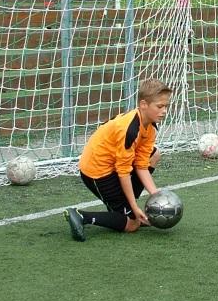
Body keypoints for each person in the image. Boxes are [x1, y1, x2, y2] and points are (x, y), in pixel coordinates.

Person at [64, 78, 171, 240]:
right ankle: (81, 216)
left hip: (113, 165)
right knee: (132, 224)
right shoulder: (129, 130)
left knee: (154, 155)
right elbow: (124, 172)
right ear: (143, 104)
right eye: (160, 107)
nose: (164, 111)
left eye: (166, 107)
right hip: (97, 172)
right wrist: (134, 208)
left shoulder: (150, 127)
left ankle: (123, 207)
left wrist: (157, 195)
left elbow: (141, 165)